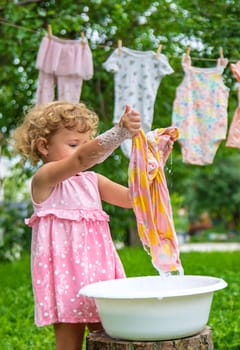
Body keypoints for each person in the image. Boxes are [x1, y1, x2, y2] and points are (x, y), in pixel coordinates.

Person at [13, 100, 141, 350]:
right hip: (65, 280)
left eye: (85, 142)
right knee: (69, 344)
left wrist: (152, 162)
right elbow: (82, 159)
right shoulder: (45, 179)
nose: (83, 150)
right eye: (73, 144)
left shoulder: (93, 181)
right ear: (43, 146)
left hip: (101, 276)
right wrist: (120, 133)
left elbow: (131, 199)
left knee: (108, 341)